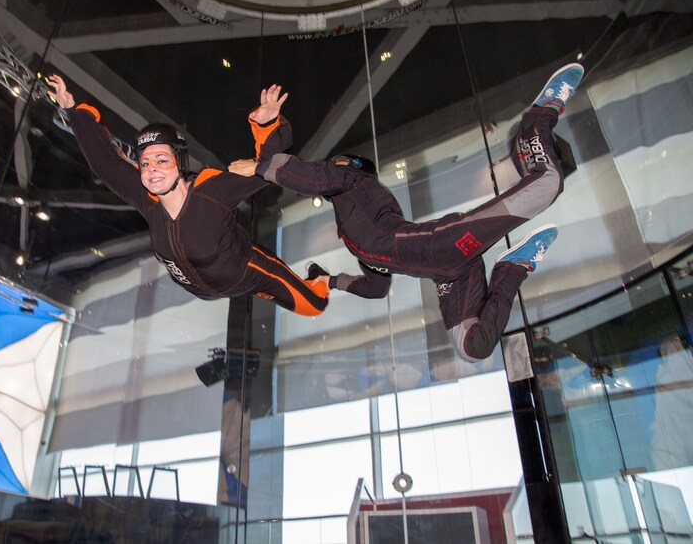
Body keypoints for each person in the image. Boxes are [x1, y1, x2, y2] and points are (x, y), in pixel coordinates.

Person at [229, 64, 584, 362]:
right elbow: (376, 287)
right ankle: (512, 267)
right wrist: (331, 281)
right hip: (451, 273)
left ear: (352, 167)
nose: (331, 167)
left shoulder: (355, 182)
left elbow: (316, 178)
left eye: (337, 163)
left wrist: (264, 161)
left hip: (443, 246)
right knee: (472, 347)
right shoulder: (355, 231)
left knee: (548, 184)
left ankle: (536, 122)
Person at [46, 76, 329, 316]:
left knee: (315, 305)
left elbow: (267, 168)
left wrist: (267, 126)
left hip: (249, 274)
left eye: (162, 161)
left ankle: (319, 276)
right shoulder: (147, 199)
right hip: (203, 292)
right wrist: (73, 110)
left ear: (179, 162)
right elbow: (104, 161)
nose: (151, 170)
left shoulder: (212, 191)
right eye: (145, 163)